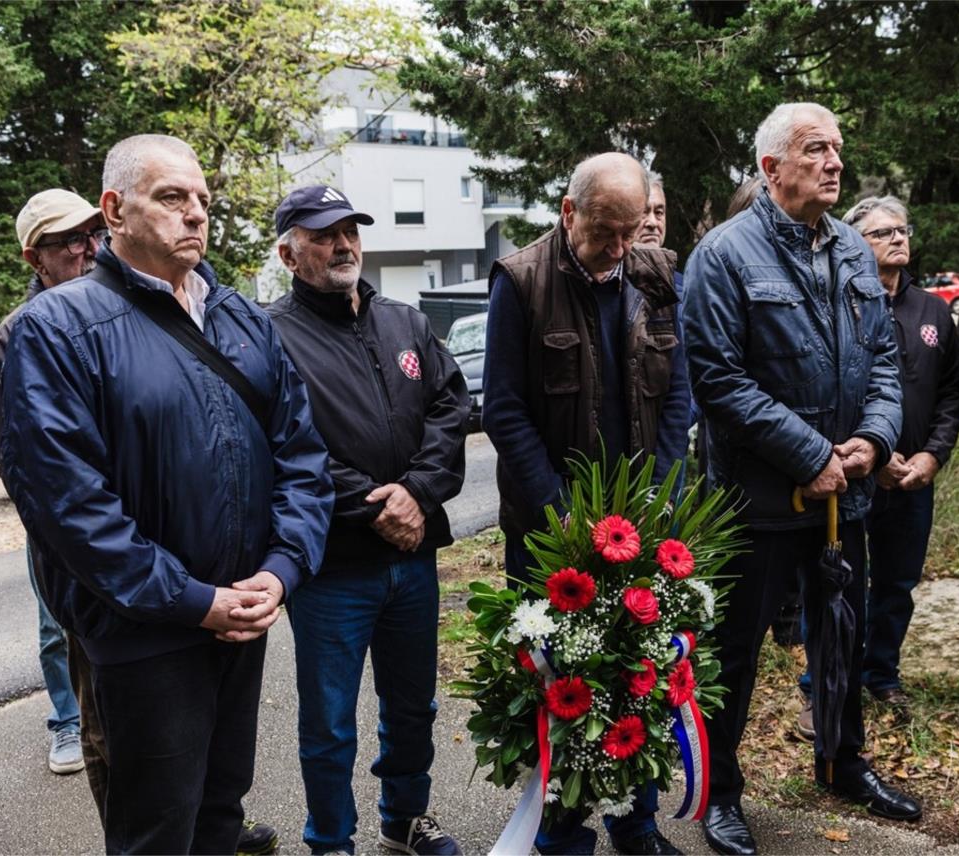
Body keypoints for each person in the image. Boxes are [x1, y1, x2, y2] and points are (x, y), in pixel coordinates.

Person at [0, 134, 333, 854]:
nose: (195, 216)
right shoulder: (53, 332)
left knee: (220, 814)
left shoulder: (244, 321)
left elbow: (303, 458)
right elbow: (69, 509)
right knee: (156, 830)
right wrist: (194, 601)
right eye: (172, 198)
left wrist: (280, 572)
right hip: (144, 636)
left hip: (244, 617)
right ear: (114, 210)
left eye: (203, 201)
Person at [683, 102, 920, 856]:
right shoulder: (723, 256)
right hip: (756, 502)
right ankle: (719, 795)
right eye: (815, 149)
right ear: (770, 168)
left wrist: (874, 441)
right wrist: (810, 453)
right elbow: (718, 382)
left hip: (844, 496)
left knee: (841, 639)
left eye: (838, 149)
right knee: (737, 650)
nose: (835, 162)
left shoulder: (852, 249)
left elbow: (884, 362)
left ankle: (842, 763)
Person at [483, 152, 691, 856]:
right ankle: (564, 828)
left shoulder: (656, 273)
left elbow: (678, 398)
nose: (621, 248)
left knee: (639, 675)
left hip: (639, 526)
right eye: (606, 230)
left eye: (633, 230)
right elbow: (505, 412)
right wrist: (558, 514)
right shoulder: (520, 281)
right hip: (551, 533)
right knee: (565, 681)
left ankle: (637, 823)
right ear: (569, 212)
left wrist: (659, 502)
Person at [267, 185, 469, 856]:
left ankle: (405, 816)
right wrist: (378, 506)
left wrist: (417, 492)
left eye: (349, 229)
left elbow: (449, 409)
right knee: (329, 723)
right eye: (323, 234)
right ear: (288, 254)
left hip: (413, 561)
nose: (343, 243)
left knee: (413, 707)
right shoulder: (272, 335)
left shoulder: (405, 322)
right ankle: (331, 840)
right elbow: (287, 446)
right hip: (332, 569)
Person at [795, 196, 959, 740]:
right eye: (881, 232)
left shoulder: (933, 311)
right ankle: (819, 682)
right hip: (857, 472)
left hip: (916, 476)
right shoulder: (845, 304)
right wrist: (878, 454)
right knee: (842, 583)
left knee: (899, 581)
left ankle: (881, 671)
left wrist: (933, 455)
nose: (897, 238)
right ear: (854, 244)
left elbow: (951, 392)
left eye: (902, 229)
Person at [0, 189, 104, 777]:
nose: (89, 249)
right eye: (69, 241)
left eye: (94, 233)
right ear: (35, 258)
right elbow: (20, 460)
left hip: (135, 524)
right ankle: (65, 720)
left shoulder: (123, 306)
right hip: (64, 526)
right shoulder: (18, 334)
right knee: (59, 626)